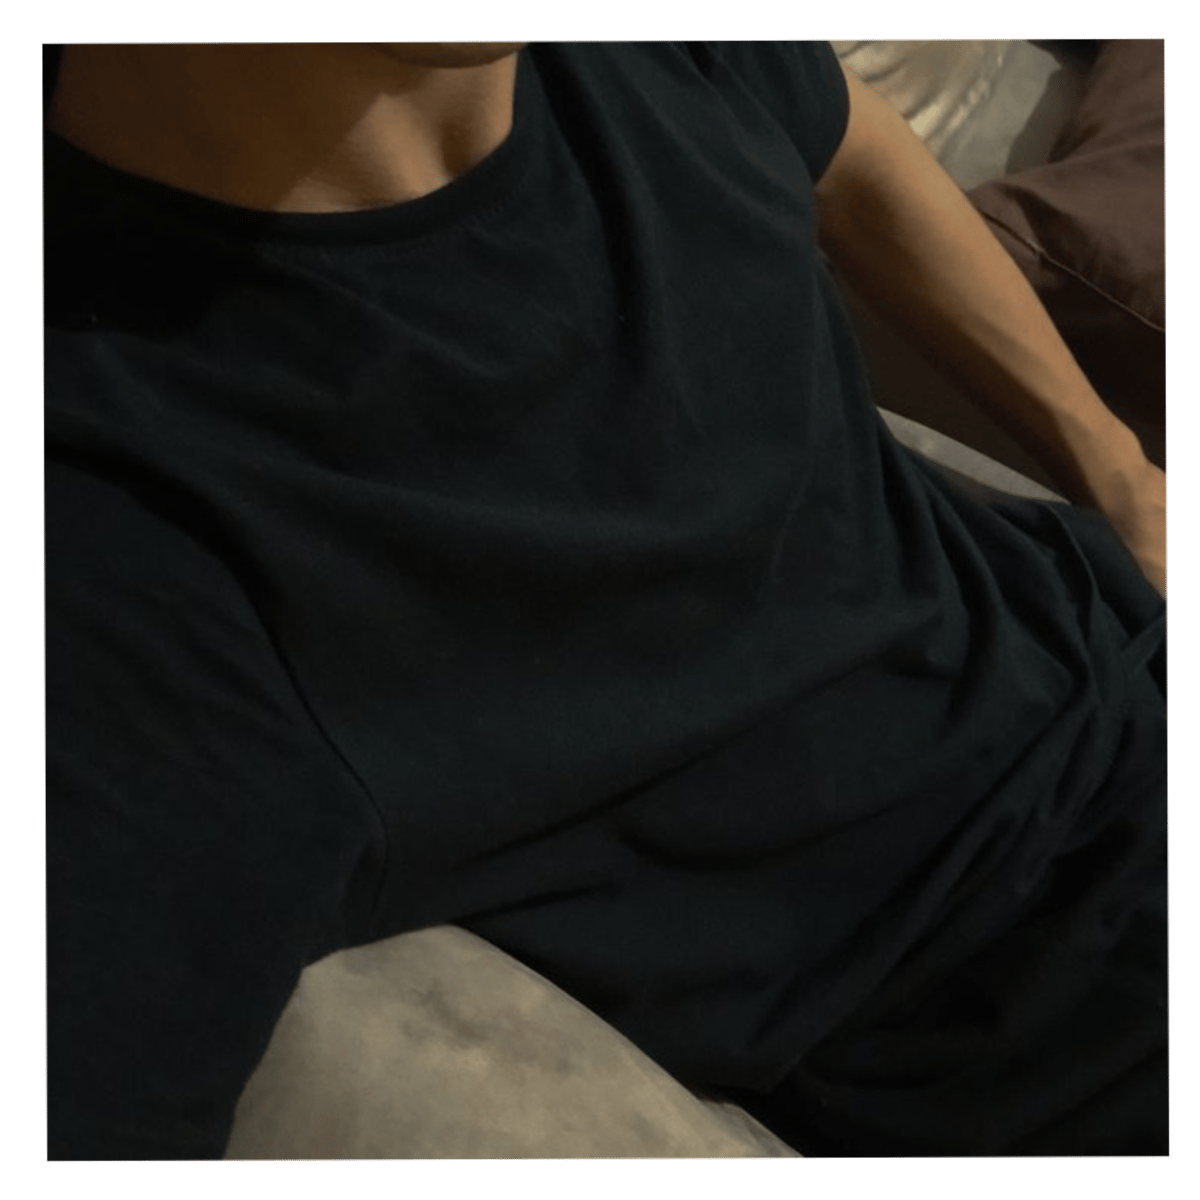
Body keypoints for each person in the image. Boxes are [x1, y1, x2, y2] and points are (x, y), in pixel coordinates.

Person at [43, 40, 1168, 1160]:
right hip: (1057, 1001)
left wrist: (1121, 474)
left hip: (1117, 651)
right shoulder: (125, 546)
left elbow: (843, 144)